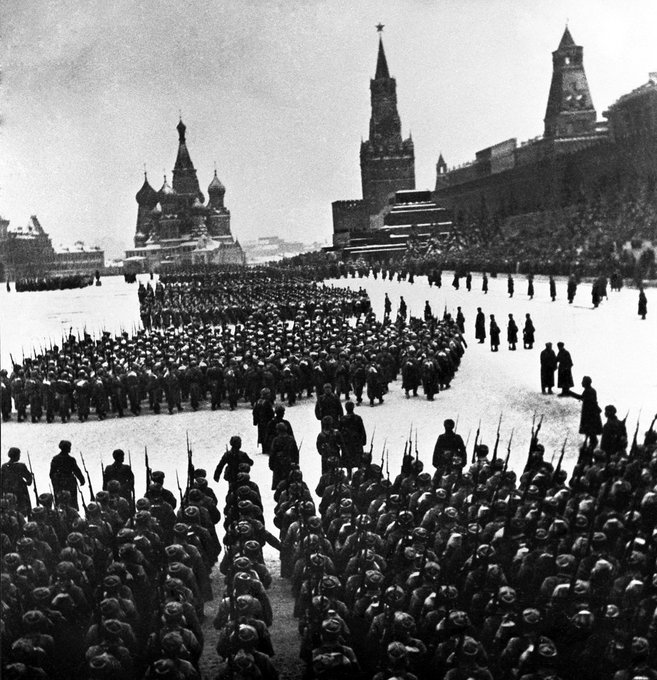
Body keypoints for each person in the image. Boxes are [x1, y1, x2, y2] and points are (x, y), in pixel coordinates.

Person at [49, 440, 85, 510]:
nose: (70, 449)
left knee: (60, 502)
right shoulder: (71, 459)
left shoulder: (55, 459)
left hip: (59, 484)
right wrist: (82, 480)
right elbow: (76, 471)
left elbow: (51, 474)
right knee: (72, 503)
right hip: (70, 483)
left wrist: (56, 481)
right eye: (69, 447)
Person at [573, 376, 603, 449]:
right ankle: (590, 442)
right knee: (590, 430)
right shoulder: (590, 390)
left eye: (583, 382)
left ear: (586, 383)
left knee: (590, 429)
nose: (581, 383)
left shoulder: (588, 391)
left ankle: (592, 444)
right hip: (590, 413)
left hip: (589, 414)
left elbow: (583, 398)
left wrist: (571, 393)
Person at [1, 447, 33, 515]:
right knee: (23, 512)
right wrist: (28, 480)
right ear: (16, 455)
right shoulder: (21, 466)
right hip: (20, 493)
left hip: (8, 493)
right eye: (19, 454)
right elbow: (29, 480)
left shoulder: (4, 466)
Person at [338, 400, 367, 475]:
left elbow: (339, 432)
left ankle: (349, 474)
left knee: (348, 459)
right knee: (358, 459)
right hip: (357, 442)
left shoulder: (342, 419)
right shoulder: (358, 418)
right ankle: (360, 473)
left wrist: (340, 442)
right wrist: (363, 440)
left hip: (347, 442)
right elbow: (362, 430)